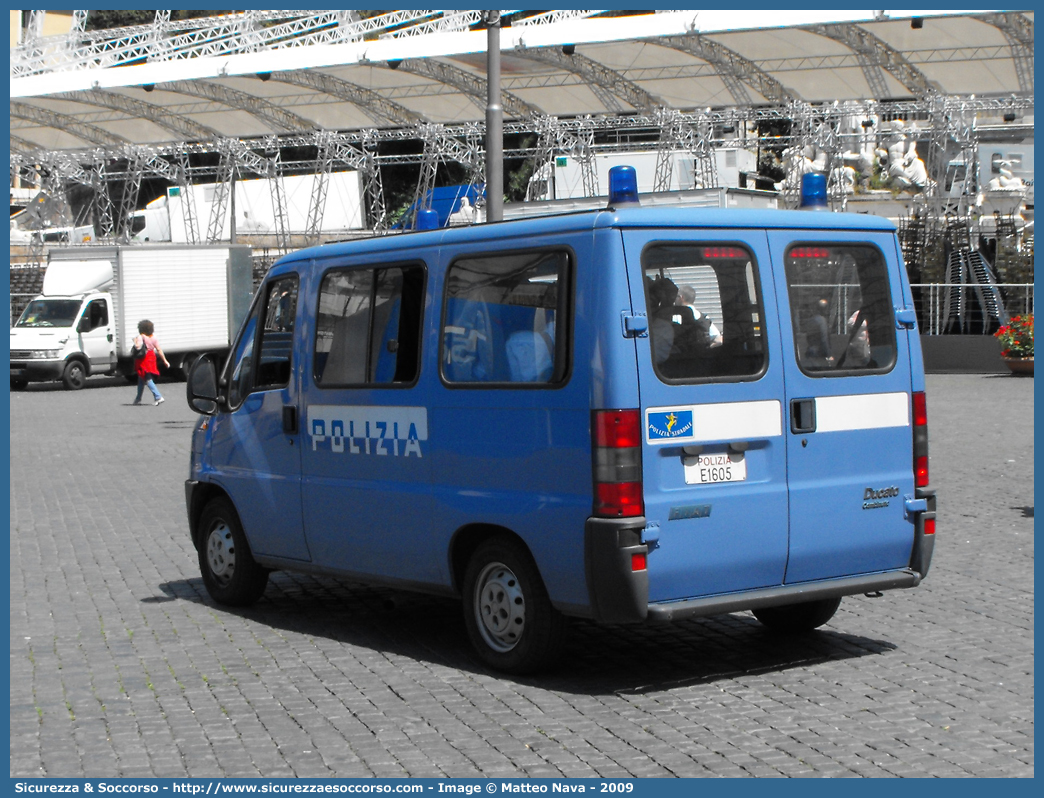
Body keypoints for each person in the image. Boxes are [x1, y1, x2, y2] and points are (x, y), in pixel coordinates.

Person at [132, 319, 170, 406]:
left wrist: (134, 341)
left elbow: (138, 347)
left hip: (143, 359)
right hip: (151, 357)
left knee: (146, 378)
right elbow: (159, 349)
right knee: (141, 378)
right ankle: (138, 399)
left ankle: (158, 396)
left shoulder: (141, 337)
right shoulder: (154, 337)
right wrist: (165, 361)